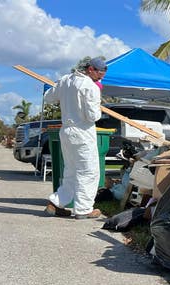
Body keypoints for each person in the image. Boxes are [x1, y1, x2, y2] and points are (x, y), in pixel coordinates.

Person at [43, 56, 107, 219]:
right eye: (100, 73)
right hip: (82, 132)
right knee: (88, 172)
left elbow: (48, 97)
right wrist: (98, 99)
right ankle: (84, 209)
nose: (101, 77)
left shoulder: (65, 80)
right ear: (90, 69)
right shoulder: (90, 87)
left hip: (66, 131)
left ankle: (56, 203)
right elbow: (93, 116)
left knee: (70, 171)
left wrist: (64, 93)